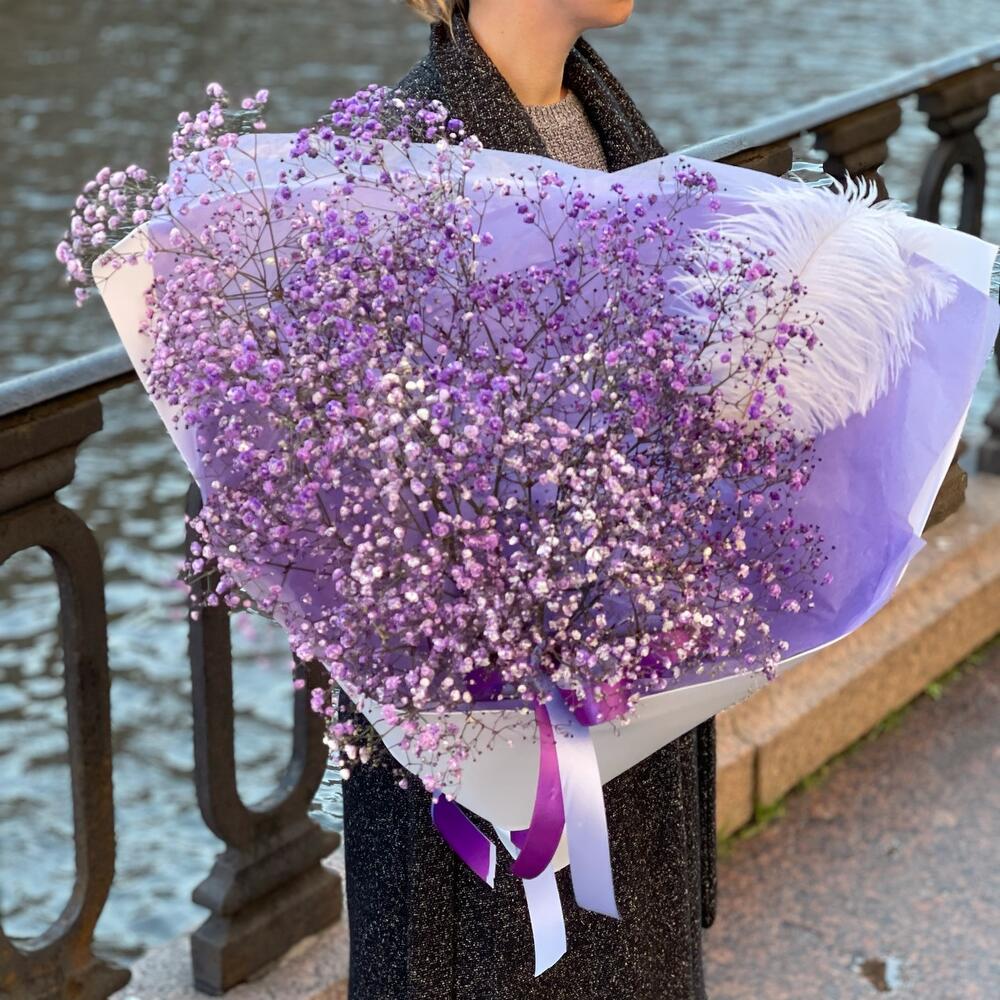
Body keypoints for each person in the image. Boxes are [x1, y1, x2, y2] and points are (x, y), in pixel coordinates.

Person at [337, 3, 717, 997]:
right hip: (488, 763)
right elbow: (350, 502)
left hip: (635, 718)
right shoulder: (399, 158)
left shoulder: (611, 124)